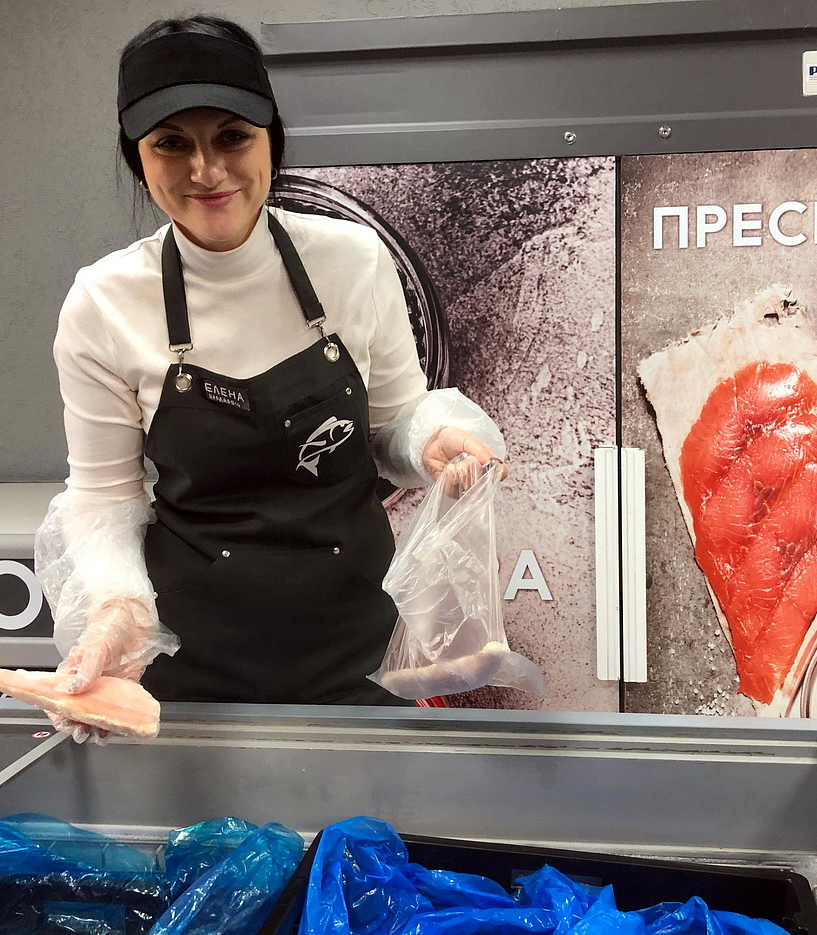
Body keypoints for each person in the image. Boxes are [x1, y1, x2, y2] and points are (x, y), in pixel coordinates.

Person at [34, 14, 507, 738]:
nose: (205, 171)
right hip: (195, 663)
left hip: (358, 650)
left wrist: (429, 440)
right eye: (171, 144)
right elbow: (103, 499)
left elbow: (392, 424)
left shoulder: (353, 260)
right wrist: (115, 610)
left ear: (271, 141)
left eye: (231, 137)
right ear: (139, 158)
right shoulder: (104, 302)